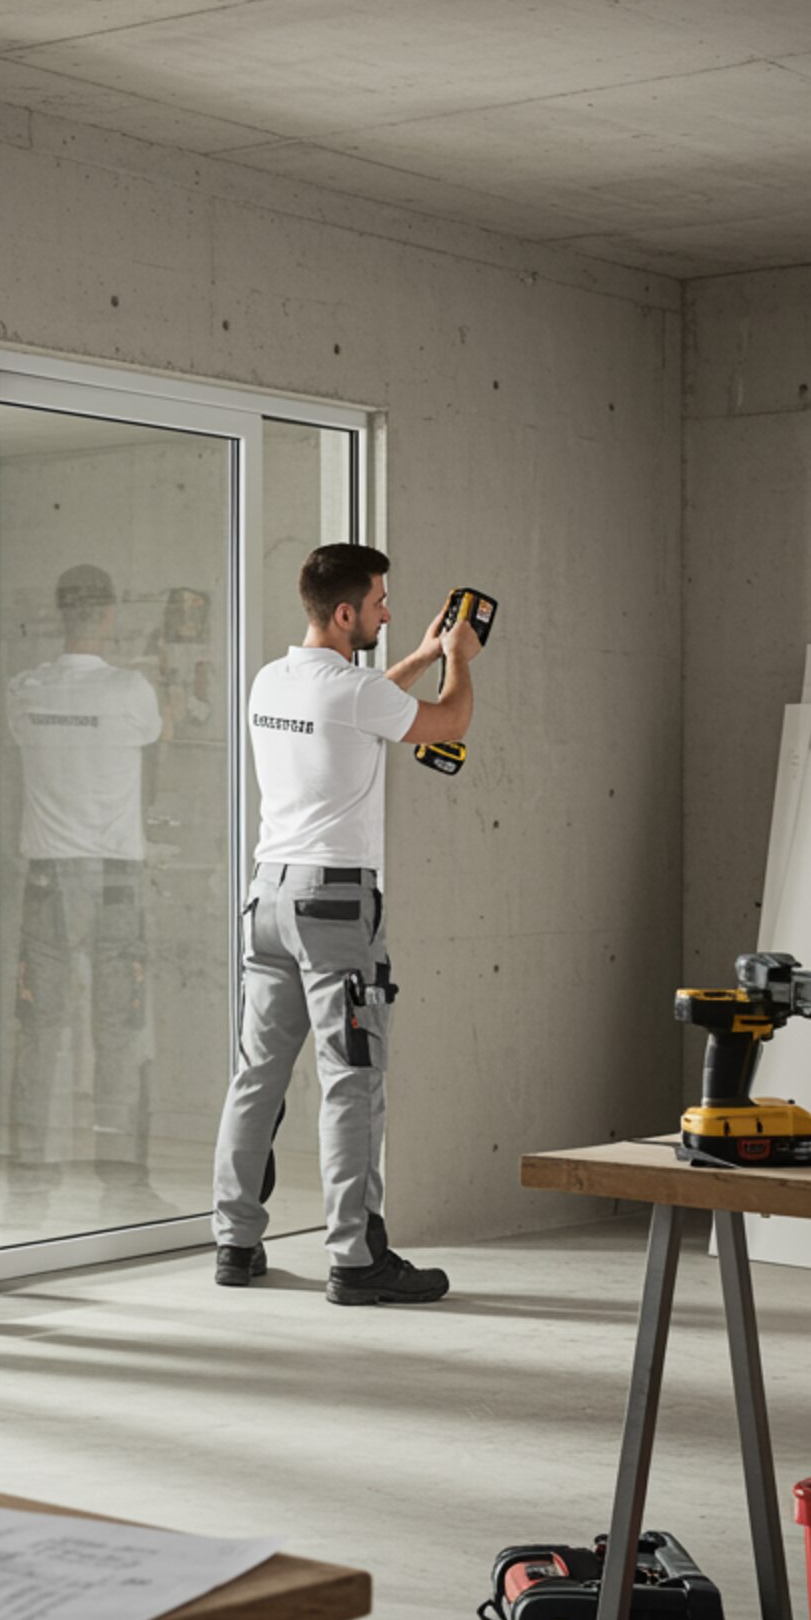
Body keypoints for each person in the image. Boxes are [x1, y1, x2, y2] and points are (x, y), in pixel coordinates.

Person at [209, 543, 479, 1306]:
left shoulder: (274, 679)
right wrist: (458, 660)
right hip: (334, 910)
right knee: (351, 1081)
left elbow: (359, 711)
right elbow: (449, 720)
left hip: (268, 900)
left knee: (256, 1077)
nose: (387, 613)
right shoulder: (354, 692)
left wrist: (420, 655)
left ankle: (235, 1243)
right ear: (343, 612)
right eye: (379, 602)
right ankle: (357, 1260)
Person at [5, 566, 164, 1207]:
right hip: (116, 875)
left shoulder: (24, 690)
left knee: (39, 1026)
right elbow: (157, 734)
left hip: (47, 877)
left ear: (59, 614)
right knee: (118, 1026)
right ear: (108, 616)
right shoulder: (131, 690)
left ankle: (30, 1166)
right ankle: (119, 1170)